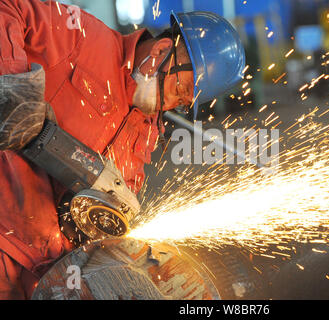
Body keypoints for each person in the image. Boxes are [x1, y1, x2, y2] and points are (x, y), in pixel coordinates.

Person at [0, 0, 245, 299]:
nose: (173, 105)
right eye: (180, 90)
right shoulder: (83, 37)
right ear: (160, 52)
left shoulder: (145, 132)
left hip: (46, 277)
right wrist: (12, 81)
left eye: (184, 103)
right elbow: (10, 6)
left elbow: (110, 199)